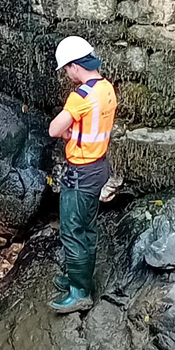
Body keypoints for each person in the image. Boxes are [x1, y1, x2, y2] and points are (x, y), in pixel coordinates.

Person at [47, 35, 117, 315]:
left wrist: (66, 131)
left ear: (76, 66)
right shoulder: (106, 88)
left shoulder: (81, 96)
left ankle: (79, 293)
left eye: (66, 69)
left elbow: (54, 129)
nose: (67, 74)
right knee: (87, 228)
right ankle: (79, 278)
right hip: (99, 166)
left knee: (73, 231)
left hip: (80, 172)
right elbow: (90, 126)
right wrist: (73, 132)